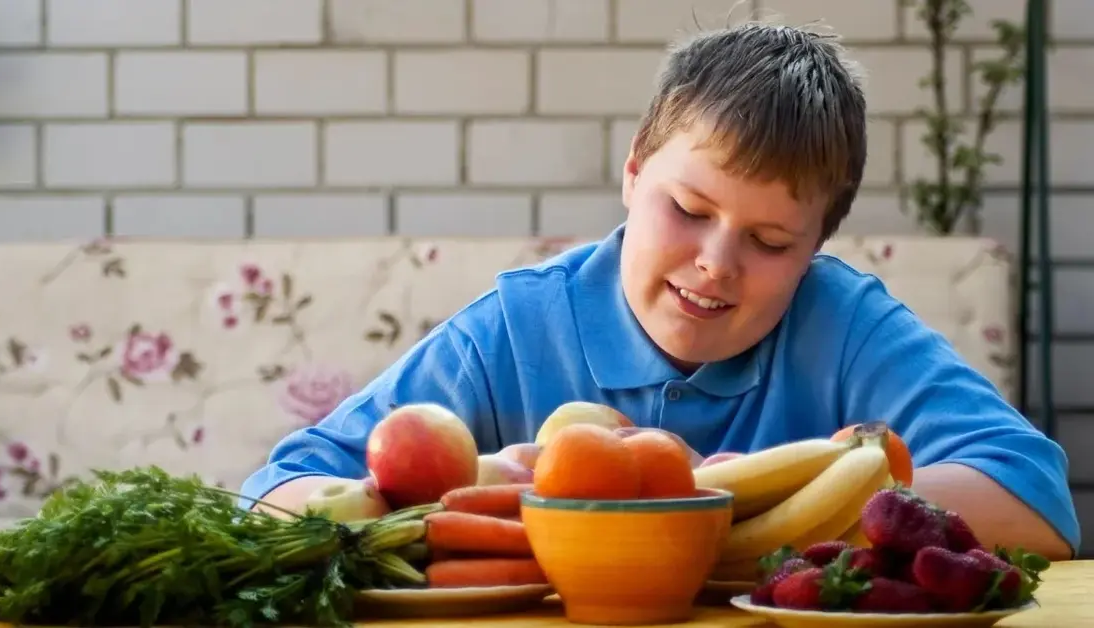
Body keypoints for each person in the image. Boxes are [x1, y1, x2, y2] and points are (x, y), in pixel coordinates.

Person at [239, 21, 1079, 560]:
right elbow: (275, 496)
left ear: (817, 248)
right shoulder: (521, 325)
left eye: (771, 240)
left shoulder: (845, 324)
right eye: (688, 208)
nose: (717, 262)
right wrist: (488, 491)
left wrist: (761, 494)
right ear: (634, 172)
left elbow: (1038, 504)